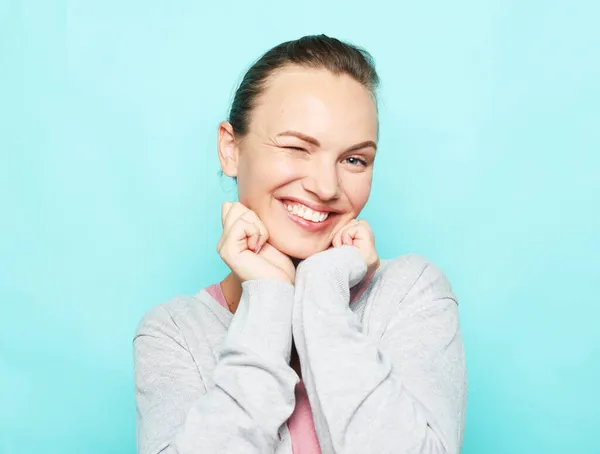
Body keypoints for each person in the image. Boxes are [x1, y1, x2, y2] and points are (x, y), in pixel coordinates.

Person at [133, 34, 467, 454]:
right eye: (296, 147)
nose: (326, 187)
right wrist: (270, 300)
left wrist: (321, 289)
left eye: (354, 160)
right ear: (230, 148)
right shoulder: (176, 334)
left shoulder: (412, 294)